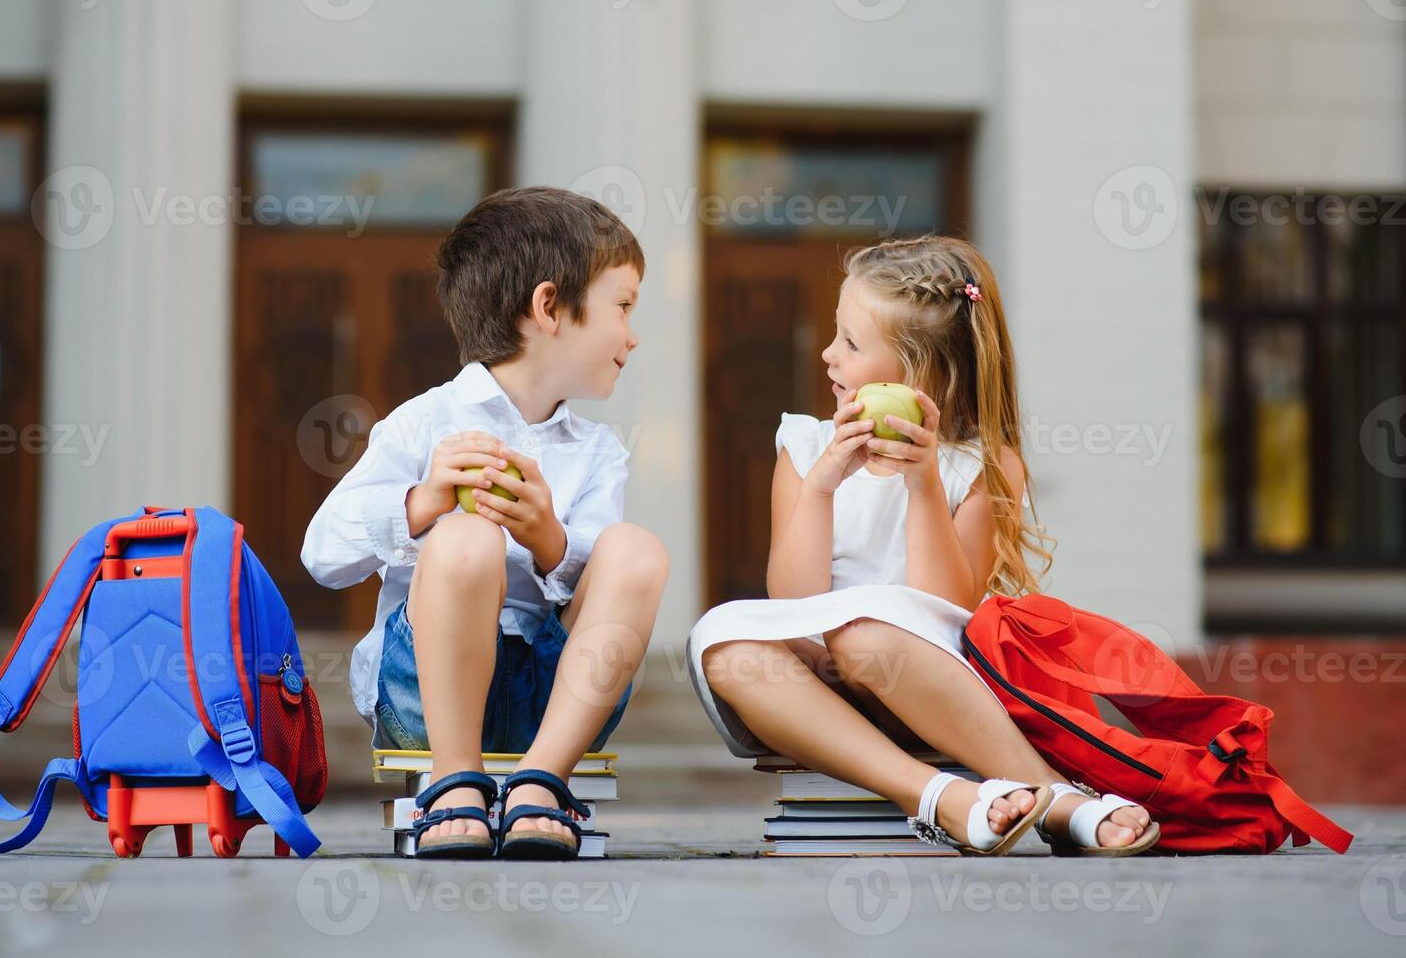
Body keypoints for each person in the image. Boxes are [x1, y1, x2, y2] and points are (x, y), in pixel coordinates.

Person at [689, 236, 1159, 857]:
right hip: (820, 692)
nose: (828, 355)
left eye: (851, 344)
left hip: (925, 683)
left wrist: (923, 483)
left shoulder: (981, 467)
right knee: (722, 640)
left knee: (868, 632)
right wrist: (823, 486)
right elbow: (793, 600)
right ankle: (941, 797)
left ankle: (1051, 794)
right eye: (837, 333)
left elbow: (941, 609)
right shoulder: (805, 449)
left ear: (917, 376)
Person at [303, 187, 669, 860]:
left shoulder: (597, 453)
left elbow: (602, 587)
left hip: (552, 704)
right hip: (425, 699)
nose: (633, 333)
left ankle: (541, 785)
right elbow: (323, 553)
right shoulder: (425, 423)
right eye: (623, 306)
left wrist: (547, 540)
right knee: (468, 535)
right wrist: (426, 500)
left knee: (637, 550)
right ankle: (453, 780)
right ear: (549, 307)